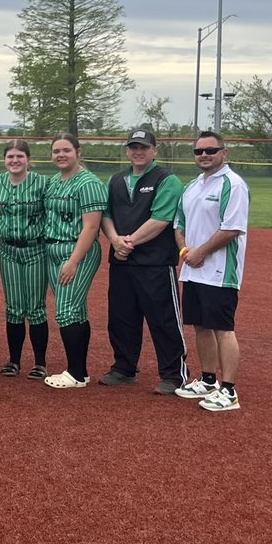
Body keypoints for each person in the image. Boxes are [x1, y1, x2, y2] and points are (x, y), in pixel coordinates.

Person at [100, 129, 188, 394]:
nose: (138, 152)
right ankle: (124, 368)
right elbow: (105, 214)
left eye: (144, 147)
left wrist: (126, 243)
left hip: (155, 263)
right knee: (121, 317)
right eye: (133, 147)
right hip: (122, 262)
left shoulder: (166, 180)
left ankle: (173, 375)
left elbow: (160, 219)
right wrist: (114, 240)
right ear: (127, 151)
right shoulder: (116, 180)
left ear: (154, 150)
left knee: (163, 320)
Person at [173, 131, 250, 412]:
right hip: (193, 271)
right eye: (199, 151)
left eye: (210, 150)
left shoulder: (233, 184)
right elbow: (178, 224)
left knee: (223, 328)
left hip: (220, 272)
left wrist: (200, 253)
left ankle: (228, 390)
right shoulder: (192, 186)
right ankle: (208, 380)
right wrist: (185, 251)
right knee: (201, 326)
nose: (204, 155)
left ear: (223, 153)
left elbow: (231, 229)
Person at [41, 134, 106, 389]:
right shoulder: (54, 182)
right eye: (56, 151)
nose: (61, 155)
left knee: (66, 311)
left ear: (78, 152)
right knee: (75, 311)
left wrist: (73, 261)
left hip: (77, 250)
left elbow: (91, 226)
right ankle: (81, 372)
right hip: (53, 248)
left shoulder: (88, 182)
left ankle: (75, 373)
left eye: (66, 150)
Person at [0, 140, 50, 380]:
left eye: (19, 156)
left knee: (35, 308)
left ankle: (40, 363)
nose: (14, 160)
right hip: (8, 249)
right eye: (10, 156)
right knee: (14, 307)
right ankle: (14, 360)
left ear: (28, 159)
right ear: (5, 159)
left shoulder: (42, 182)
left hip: (35, 248)